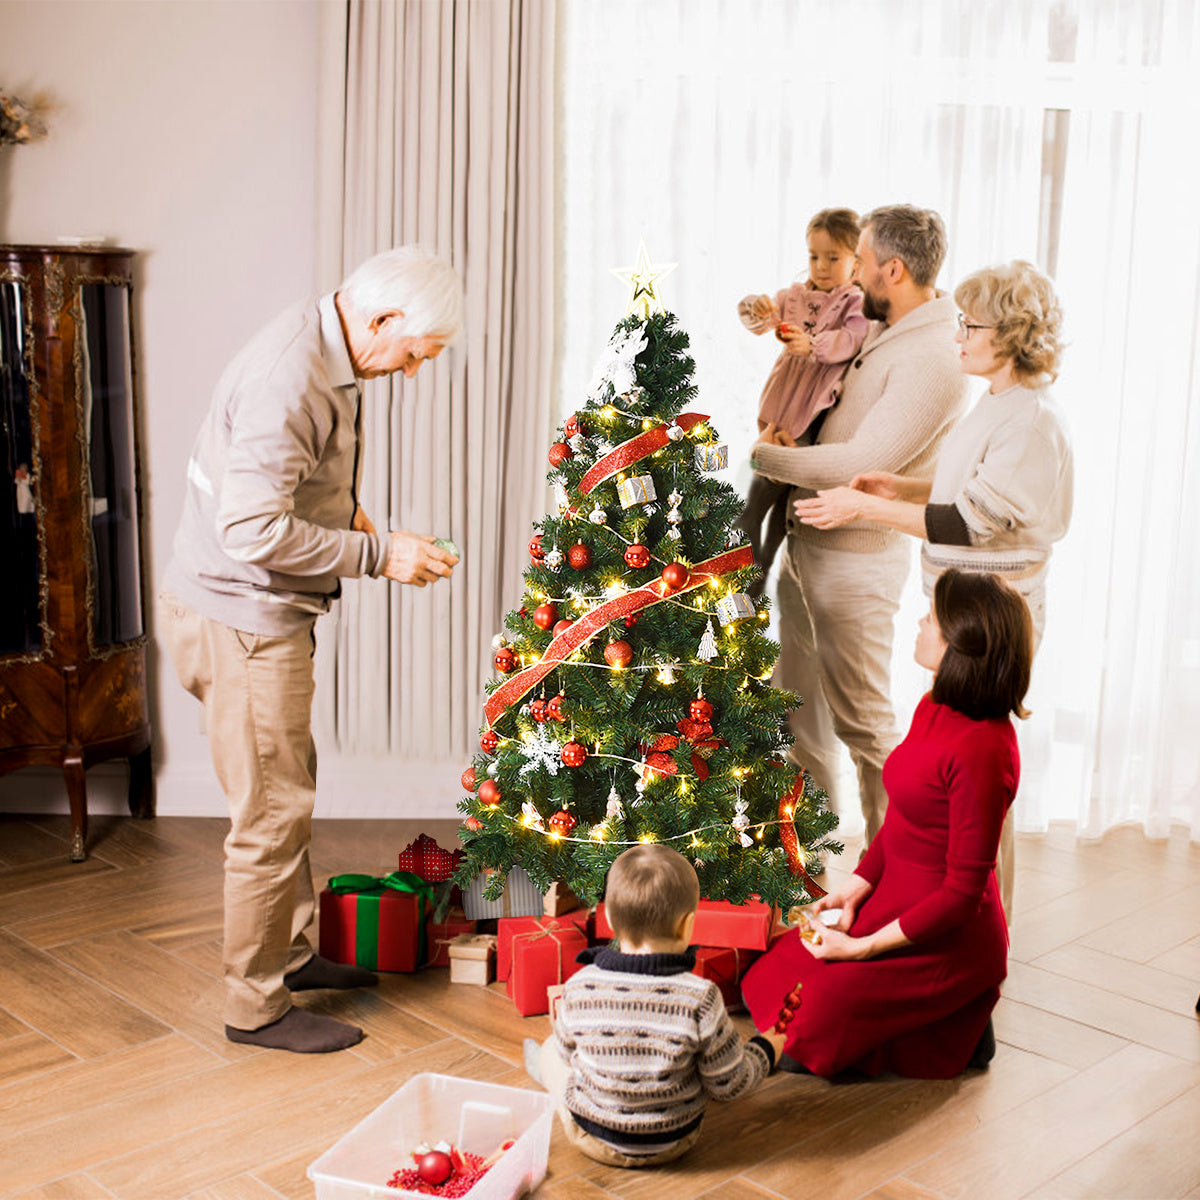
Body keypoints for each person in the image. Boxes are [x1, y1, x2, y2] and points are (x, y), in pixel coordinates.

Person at [158, 247, 462, 1054]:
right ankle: (255, 1006)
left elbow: (280, 478)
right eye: (414, 350)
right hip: (244, 624)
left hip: (241, 613)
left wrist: (352, 513)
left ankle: (289, 960)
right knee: (269, 814)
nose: (414, 368)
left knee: (282, 794)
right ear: (382, 320)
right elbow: (251, 528)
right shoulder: (290, 375)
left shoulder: (322, 343)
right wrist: (378, 554)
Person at [793, 259, 1072, 913]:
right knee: (957, 765)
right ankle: (951, 903)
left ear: (1008, 334)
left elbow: (967, 522)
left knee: (978, 773)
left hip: (994, 617)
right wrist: (902, 488)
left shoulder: (1030, 421)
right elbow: (965, 491)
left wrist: (862, 510)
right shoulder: (998, 403)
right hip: (965, 607)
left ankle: (981, 916)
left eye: (971, 326)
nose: (959, 336)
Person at [740, 570, 1033, 1079]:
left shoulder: (985, 752)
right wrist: (855, 887)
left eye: (933, 620)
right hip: (895, 895)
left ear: (961, 644)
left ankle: (959, 1022)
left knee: (816, 1016)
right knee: (774, 975)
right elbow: (901, 818)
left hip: (946, 933)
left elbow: (962, 894)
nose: (921, 623)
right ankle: (938, 1023)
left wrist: (861, 948)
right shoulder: (934, 705)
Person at [752, 205, 968, 844]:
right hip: (809, 543)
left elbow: (861, 462)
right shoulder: (883, 326)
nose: (851, 279)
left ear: (892, 270)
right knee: (801, 719)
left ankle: (896, 871)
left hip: (855, 565)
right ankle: (812, 869)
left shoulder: (931, 357)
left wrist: (761, 454)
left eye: (863, 265)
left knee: (865, 727)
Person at [523, 844, 785, 1168]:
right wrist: (766, 1049)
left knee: (552, 1050)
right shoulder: (701, 997)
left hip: (592, 1136)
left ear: (608, 917)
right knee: (703, 1059)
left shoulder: (580, 986)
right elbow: (731, 1084)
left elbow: (567, 1054)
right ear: (687, 925)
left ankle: (544, 1074)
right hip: (675, 1140)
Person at [736, 208, 869, 596]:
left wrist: (811, 345)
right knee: (766, 478)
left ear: (857, 263)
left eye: (834, 258)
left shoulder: (853, 302)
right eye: (814, 256)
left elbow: (852, 339)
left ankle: (759, 566)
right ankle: (746, 550)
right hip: (784, 398)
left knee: (785, 490)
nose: (821, 267)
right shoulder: (796, 296)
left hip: (812, 407)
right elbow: (763, 318)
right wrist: (757, 309)